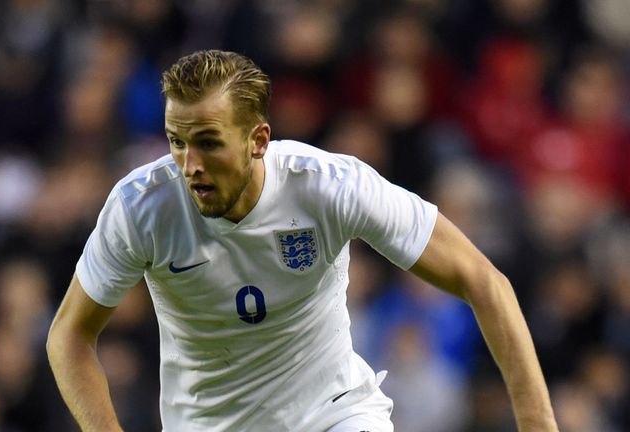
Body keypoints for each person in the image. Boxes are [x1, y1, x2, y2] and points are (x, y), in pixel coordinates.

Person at [46, 50, 558, 432]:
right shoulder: (141, 208)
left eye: (208, 143)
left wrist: (538, 423)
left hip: (333, 412)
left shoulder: (329, 187)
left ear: (259, 140)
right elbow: (69, 336)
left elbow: (484, 281)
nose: (190, 166)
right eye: (176, 141)